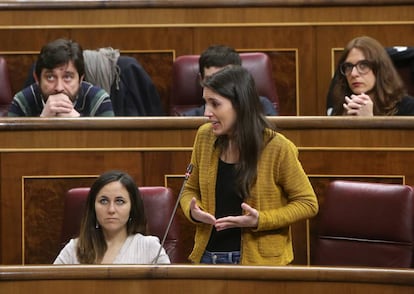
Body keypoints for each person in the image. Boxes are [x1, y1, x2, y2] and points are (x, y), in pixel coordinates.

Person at [179, 65, 318, 265]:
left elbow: (308, 203)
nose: (207, 113)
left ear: (240, 105)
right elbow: (189, 189)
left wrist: (260, 219)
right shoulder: (204, 137)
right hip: (208, 257)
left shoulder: (277, 147)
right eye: (205, 103)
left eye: (215, 104)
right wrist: (193, 210)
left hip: (259, 263)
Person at [54, 170, 170, 264]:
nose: (111, 210)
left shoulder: (150, 247)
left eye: (120, 201)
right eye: (103, 201)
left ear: (132, 207)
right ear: (93, 207)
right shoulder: (74, 249)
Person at [8, 38, 114, 117]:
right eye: (50, 77)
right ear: (37, 79)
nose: (59, 88)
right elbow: (10, 145)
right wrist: (42, 122)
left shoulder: (99, 100)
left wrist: (78, 122)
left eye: (67, 77)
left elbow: (110, 143)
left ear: (80, 79)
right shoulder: (21, 102)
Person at [328, 35, 414, 116]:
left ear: (379, 69)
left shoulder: (408, 108)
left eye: (363, 65)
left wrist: (369, 121)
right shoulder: (339, 107)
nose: (353, 74)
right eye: (348, 67)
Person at [181, 45, 278, 116]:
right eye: (211, 80)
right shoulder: (188, 119)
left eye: (225, 80)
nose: (218, 87)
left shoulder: (262, 107)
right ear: (201, 80)